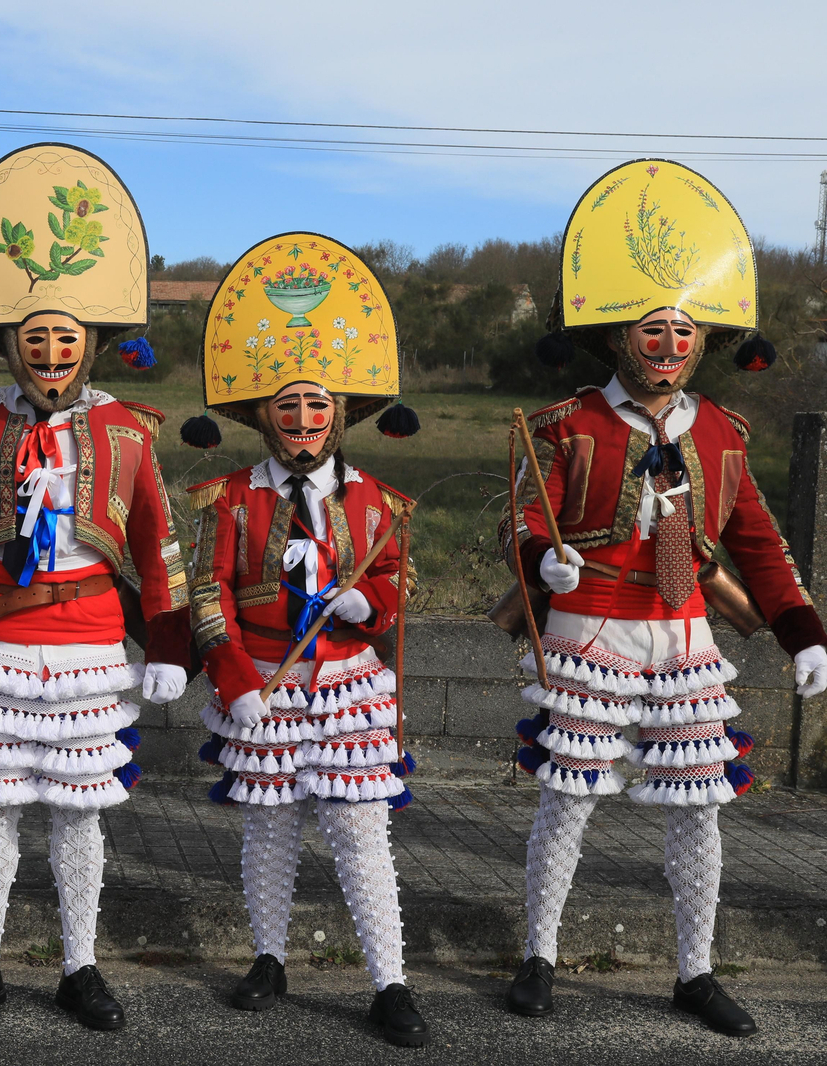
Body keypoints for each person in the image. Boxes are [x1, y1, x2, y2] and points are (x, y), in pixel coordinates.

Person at [501, 159, 827, 1037]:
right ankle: (538, 954)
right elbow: (521, 518)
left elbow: (757, 537)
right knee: (567, 797)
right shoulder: (564, 426)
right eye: (654, 330)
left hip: (685, 636)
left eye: (685, 331)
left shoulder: (721, 431)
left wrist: (801, 630)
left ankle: (696, 971)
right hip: (591, 625)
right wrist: (541, 559)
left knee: (700, 809)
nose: (672, 345)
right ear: (617, 338)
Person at [0, 144, 191, 1030]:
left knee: (79, 816)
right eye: (34, 338)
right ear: (8, 344)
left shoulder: (129, 433)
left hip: (90, 644)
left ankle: (79, 967)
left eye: (65, 339)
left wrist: (167, 639)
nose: (49, 353)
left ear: (90, 346)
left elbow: (159, 544)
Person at [180, 233, 428, 1047]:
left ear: (341, 414)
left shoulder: (379, 505)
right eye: (286, 407)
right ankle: (268, 956)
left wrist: (370, 605)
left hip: (350, 683)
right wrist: (230, 678)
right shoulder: (229, 501)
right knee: (270, 829)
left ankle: (389, 980)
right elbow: (206, 592)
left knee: (362, 834)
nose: (302, 422)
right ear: (262, 416)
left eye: (317, 406)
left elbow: (394, 585)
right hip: (264, 682)